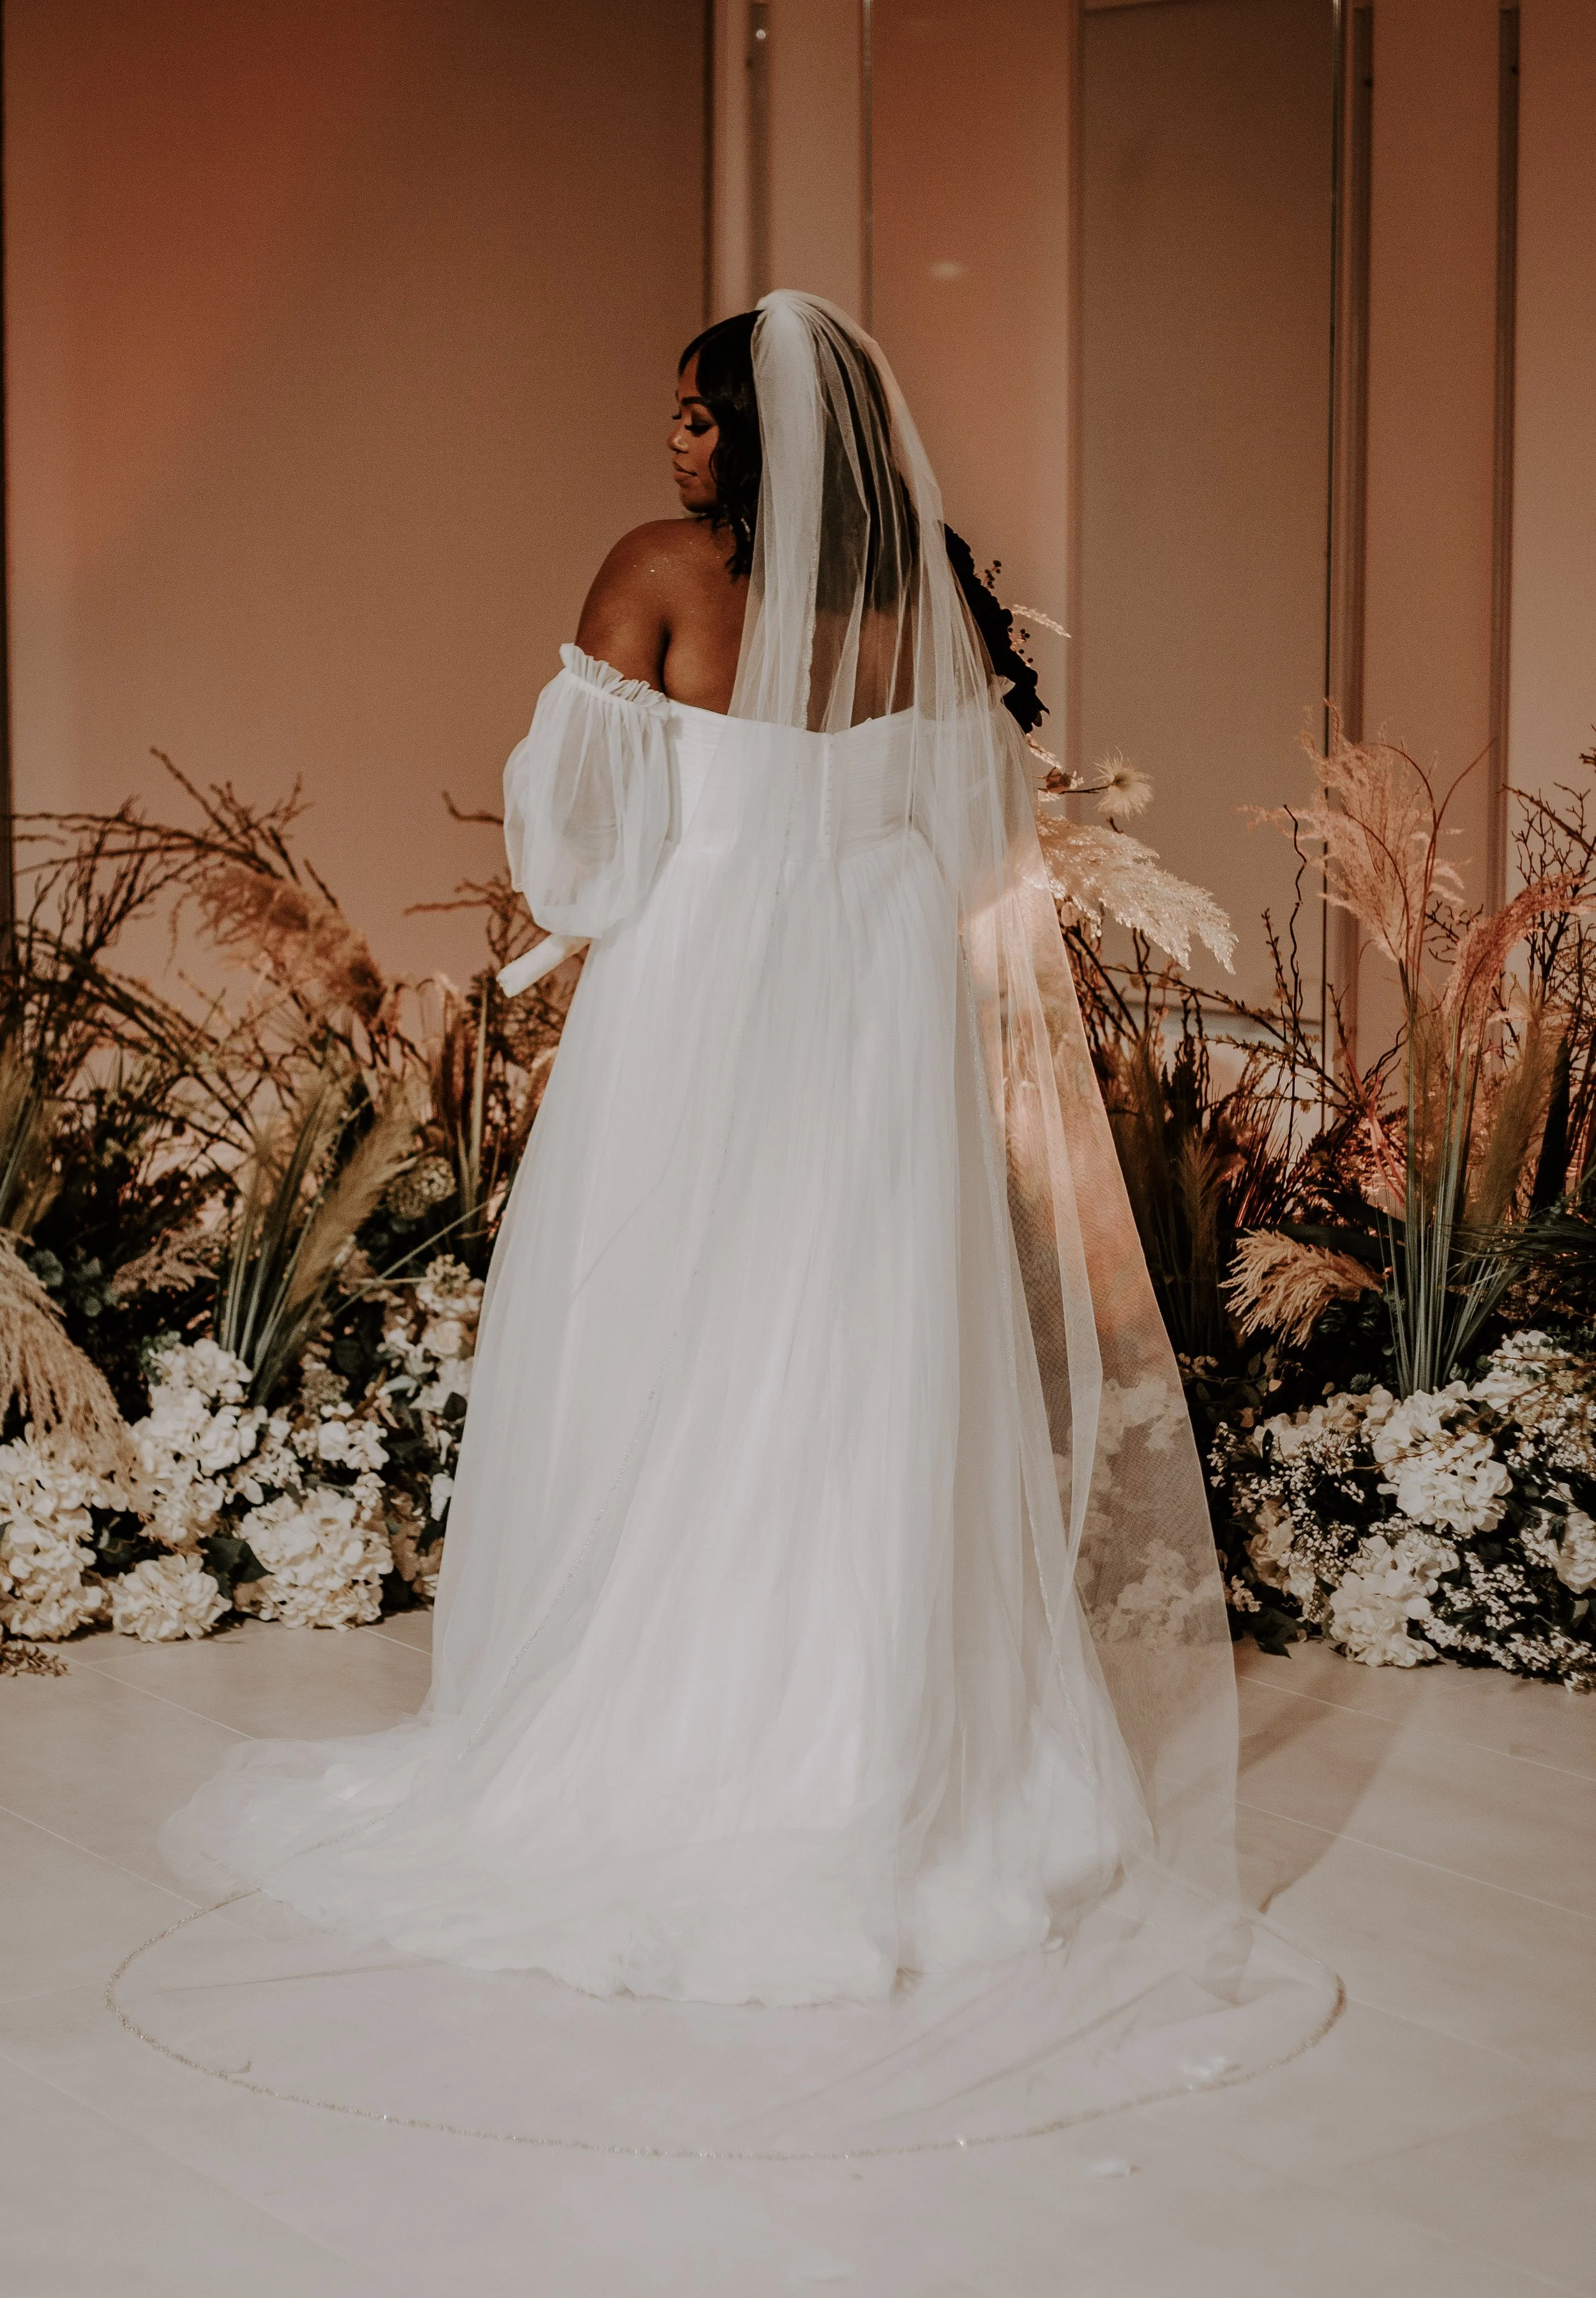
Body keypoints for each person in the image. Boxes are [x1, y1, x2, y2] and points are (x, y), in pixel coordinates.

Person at [158, 294, 1331, 2150]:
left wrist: (689, 868)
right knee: (857, 1362)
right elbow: (973, 854)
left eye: (699, 420)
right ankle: (874, 1751)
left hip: (706, 1002)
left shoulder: (659, 573)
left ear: (767, 435)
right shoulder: (926, 602)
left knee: (667, 1344)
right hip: (873, 1024)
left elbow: (572, 844)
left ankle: (664, 1738)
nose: (676, 448)